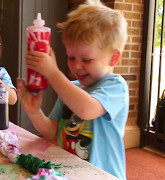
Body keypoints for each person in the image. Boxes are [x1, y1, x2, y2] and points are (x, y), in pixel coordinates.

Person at [17, 1, 128, 179]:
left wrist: (53, 73)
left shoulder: (116, 87)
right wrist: (35, 112)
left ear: (113, 58)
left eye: (86, 59)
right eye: (71, 57)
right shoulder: (72, 89)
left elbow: (86, 109)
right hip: (73, 172)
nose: (76, 65)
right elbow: (52, 131)